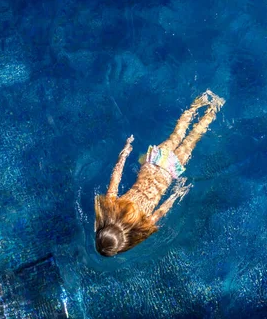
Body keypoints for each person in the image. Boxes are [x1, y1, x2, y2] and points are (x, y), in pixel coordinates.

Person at [94, 90, 225, 257]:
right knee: (177, 134)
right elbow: (116, 177)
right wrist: (125, 153)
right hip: (153, 163)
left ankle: (213, 110)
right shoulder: (110, 205)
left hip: (169, 173)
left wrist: (176, 195)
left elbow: (161, 211)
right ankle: (198, 103)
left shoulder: (141, 226)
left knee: (192, 139)